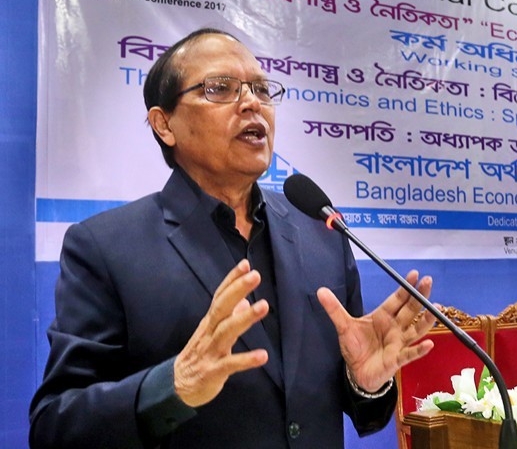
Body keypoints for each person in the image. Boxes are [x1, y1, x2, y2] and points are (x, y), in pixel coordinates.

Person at [30, 28, 438, 448]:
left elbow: (358, 411)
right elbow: (54, 426)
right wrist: (172, 386)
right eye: (220, 88)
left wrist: (364, 382)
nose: (252, 103)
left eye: (261, 89)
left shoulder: (321, 233)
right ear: (164, 124)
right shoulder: (105, 247)